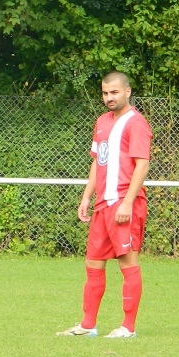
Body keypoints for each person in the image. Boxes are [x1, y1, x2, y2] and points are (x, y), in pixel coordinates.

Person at [58, 71, 152, 338]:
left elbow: (142, 165)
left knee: (127, 263)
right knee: (93, 263)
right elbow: (97, 161)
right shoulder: (101, 121)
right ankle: (87, 326)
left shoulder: (136, 123)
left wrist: (127, 203)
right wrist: (87, 196)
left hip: (124, 202)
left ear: (127, 92)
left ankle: (128, 328)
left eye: (114, 92)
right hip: (102, 205)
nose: (109, 97)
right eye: (105, 93)